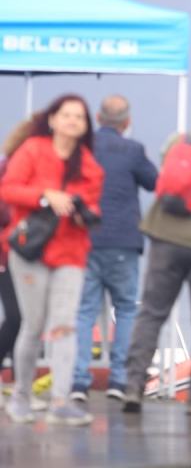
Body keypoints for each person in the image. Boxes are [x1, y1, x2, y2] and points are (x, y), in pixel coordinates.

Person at [122, 94, 191, 415]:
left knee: (151, 314)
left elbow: (165, 177)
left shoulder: (177, 141)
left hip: (164, 237)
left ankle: (132, 385)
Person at [0, 95, 104, 426]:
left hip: (71, 252)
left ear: (86, 125)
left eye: (80, 116)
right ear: (53, 119)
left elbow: (93, 204)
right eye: (67, 114)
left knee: (64, 325)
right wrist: (45, 196)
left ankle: (61, 399)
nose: (73, 121)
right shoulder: (32, 150)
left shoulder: (89, 165)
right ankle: (21, 396)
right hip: (31, 251)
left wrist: (86, 214)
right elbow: (7, 189)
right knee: (33, 324)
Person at [70, 94, 158, 403]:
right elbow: (154, 182)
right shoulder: (133, 150)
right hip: (123, 241)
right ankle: (119, 380)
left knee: (83, 313)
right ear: (128, 121)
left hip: (87, 239)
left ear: (97, 116)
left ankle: (79, 382)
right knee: (126, 310)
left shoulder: (82, 149)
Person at [0, 119, 34, 388]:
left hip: (22, 254)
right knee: (18, 317)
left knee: (22, 318)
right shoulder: (10, 170)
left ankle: (20, 382)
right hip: (8, 254)